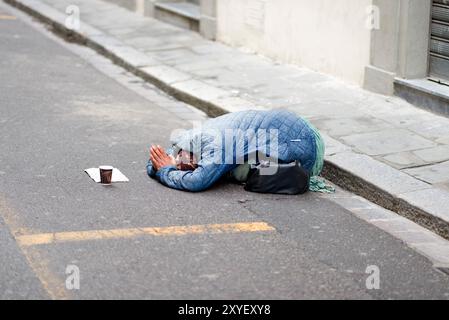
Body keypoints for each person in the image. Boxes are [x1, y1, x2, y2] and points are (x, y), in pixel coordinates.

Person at [147, 109, 331, 193]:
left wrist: (165, 171)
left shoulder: (215, 144)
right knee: (234, 167)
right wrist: (160, 164)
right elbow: (162, 157)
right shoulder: (192, 138)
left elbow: (198, 182)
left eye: (183, 164)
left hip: (307, 146)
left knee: (243, 172)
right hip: (289, 125)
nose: (183, 165)